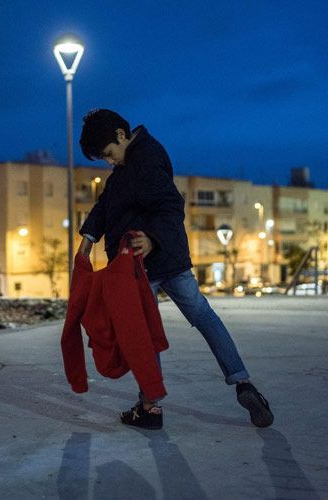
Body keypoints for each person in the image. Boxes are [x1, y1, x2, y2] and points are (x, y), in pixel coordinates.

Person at [77, 108, 274, 430]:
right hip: (171, 259)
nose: (109, 162)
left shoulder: (145, 160)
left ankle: (150, 407)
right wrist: (88, 237)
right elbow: (107, 203)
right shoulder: (131, 162)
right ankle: (243, 383)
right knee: (203, 316)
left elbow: (170, 205)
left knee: (143, 333)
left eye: (109, 154)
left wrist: (152, 239)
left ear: (121, 136)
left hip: (143, 263)